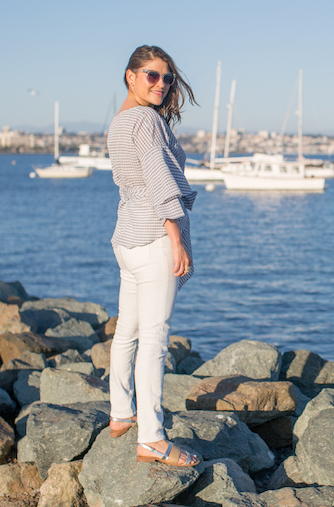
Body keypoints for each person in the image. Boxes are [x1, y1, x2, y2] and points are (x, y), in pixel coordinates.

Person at [106, 45, 199, 467]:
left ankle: (121, 414)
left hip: (127, 239)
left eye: (166, 78)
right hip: (155, 239)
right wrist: (176, 238)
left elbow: (131, 183)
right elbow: (160, 182)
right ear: (131, 76)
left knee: (128, 330)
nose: (161, 84)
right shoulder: (144, 120)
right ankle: (152, 438)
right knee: (154, 340)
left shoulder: (118, 122)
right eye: (152, 76)